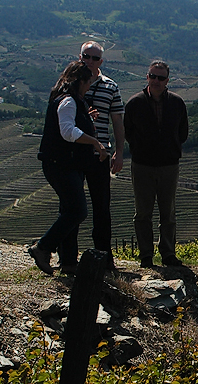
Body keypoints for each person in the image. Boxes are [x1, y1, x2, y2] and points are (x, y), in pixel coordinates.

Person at [28, 61, 109, 275]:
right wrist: (94, 142)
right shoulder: (68, 101)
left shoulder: (71, 101)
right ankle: (43, 247)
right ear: (80, 81)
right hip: (62, 165)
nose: (89, 87)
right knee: (77, 210)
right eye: (88, 83)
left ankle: (69, 261)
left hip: (66, 164)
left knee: (69, 210)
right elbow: (67, 131)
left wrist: (86, 119)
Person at [124, 60, 188, 268]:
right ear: (147, 77)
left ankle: (168, 253)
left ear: (167, 80)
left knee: (168, 212)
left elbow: (183, 132)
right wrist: (140, 150)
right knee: (143, 213)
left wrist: (171, 149)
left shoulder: (177, 103)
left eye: (160, 77)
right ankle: (146, 256)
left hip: (169, 165)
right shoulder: (135, 103)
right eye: (152, 76)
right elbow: (128, 132)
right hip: (142, 165)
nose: (156, 81)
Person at [79, 41, 125, 269]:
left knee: (102, 206)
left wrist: (119, 151)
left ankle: (105, 258)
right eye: (86, 56)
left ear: (101, 62)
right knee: (72, 206)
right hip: (75, 153)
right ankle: (68, 258)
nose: (90, 61)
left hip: (101, 153)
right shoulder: (68, 85)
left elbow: (117, 121)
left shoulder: (110, 86)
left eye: (94, 58)